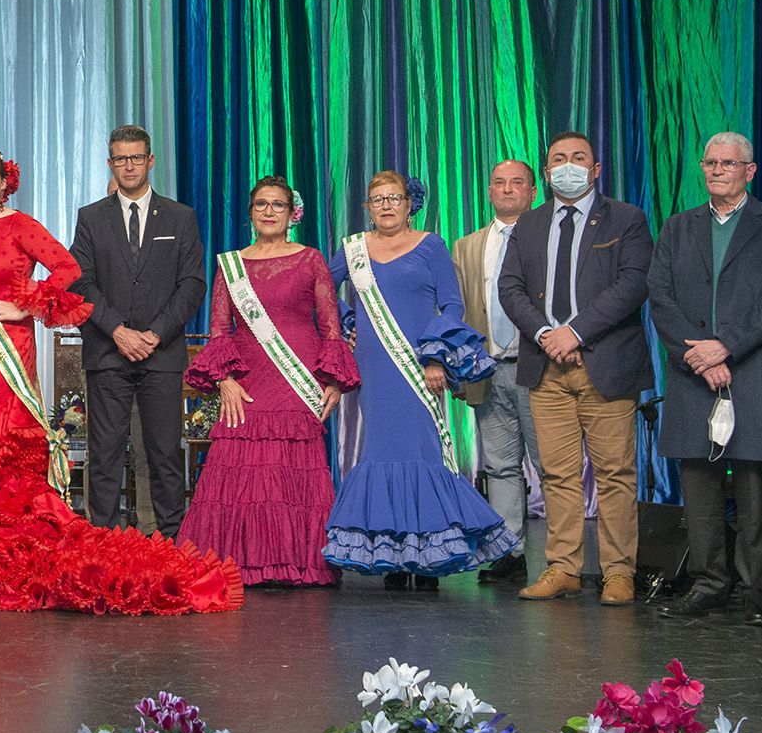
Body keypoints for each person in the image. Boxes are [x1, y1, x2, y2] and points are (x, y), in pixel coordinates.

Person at [0, 148, 242, 616]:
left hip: (6, 350)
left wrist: (24, 305)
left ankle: (7, 546)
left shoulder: (20, 225)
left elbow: (68, 270)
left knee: (4, 443)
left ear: (4, 183)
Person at [324, 171, 514, 587]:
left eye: (394, 197)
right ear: (368, 207)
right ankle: (394, 557)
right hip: (375, 367)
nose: (386, 205)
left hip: (420, 367)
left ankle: (428, 557)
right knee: (382, 453)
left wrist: (436, 357)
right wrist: (348, 321)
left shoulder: (431, 245)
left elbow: (452, 304)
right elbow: (319, 291)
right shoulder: (353, 249)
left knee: (424, 455)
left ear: (410, 204)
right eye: (378, 199)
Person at [649, 133, 762, 624]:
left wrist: (726, 346)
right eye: (711, 162)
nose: (717, 170)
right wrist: (699, 356)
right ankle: (709, 585)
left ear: (749, 171)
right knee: (699, 488)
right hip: (694, 374)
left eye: (728, 163)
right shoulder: (677, 227)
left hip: (752, 371)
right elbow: (660, 297)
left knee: (755, 491)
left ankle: (757, 591)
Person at [499, 130, 654, 605]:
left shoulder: (626, 218)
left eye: (578, 157)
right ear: (546, 173)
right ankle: (563, 567)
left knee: (615, 474)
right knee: (557, 475)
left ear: (595, 168)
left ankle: (618, 572)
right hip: (546, 366)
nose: (568, 166)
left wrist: (576, 332)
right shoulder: (529, 223)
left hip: (605, 364)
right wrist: (546, 334)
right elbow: (510, 288)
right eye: (559, 159)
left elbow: (633, 284)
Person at [181, 176, 356, 586]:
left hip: (299, 379)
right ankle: (241, 563)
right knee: (240, 468)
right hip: (248, 380)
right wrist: (224, 379)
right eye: (261, 204)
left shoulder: (311, 259)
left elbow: (330, 326)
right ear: (250, 213)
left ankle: (294, 562)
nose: (269, 211)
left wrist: (332, 381)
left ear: (292, 213)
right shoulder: (231, 265)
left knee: (291, 469)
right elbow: (219, 329)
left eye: (278, 205)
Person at [70, 126, 208, 537]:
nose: (128, 166)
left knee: (164, 454)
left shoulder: (181, 217)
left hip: (161, 354)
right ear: (110, 163)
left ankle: (170, 541)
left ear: (150, 161)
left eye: (135, 158)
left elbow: (193, 284)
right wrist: (117, 330)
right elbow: (80, 281)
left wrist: (156, 333)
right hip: (107, 352)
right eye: (120, 158)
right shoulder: (91, 217)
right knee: (104, 456)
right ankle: (103, 542)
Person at [452, 159, 538, 585]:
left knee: (552, 466)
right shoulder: (467, 245)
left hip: (539, 369)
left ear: (533, 192)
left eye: (516, 182)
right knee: (501, 467)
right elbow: (458, 310)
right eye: (499, 182)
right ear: (488, 191)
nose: (507, 189)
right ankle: (511, 552)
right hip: (487, 370)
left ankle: (566, 559)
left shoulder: (548, 238)